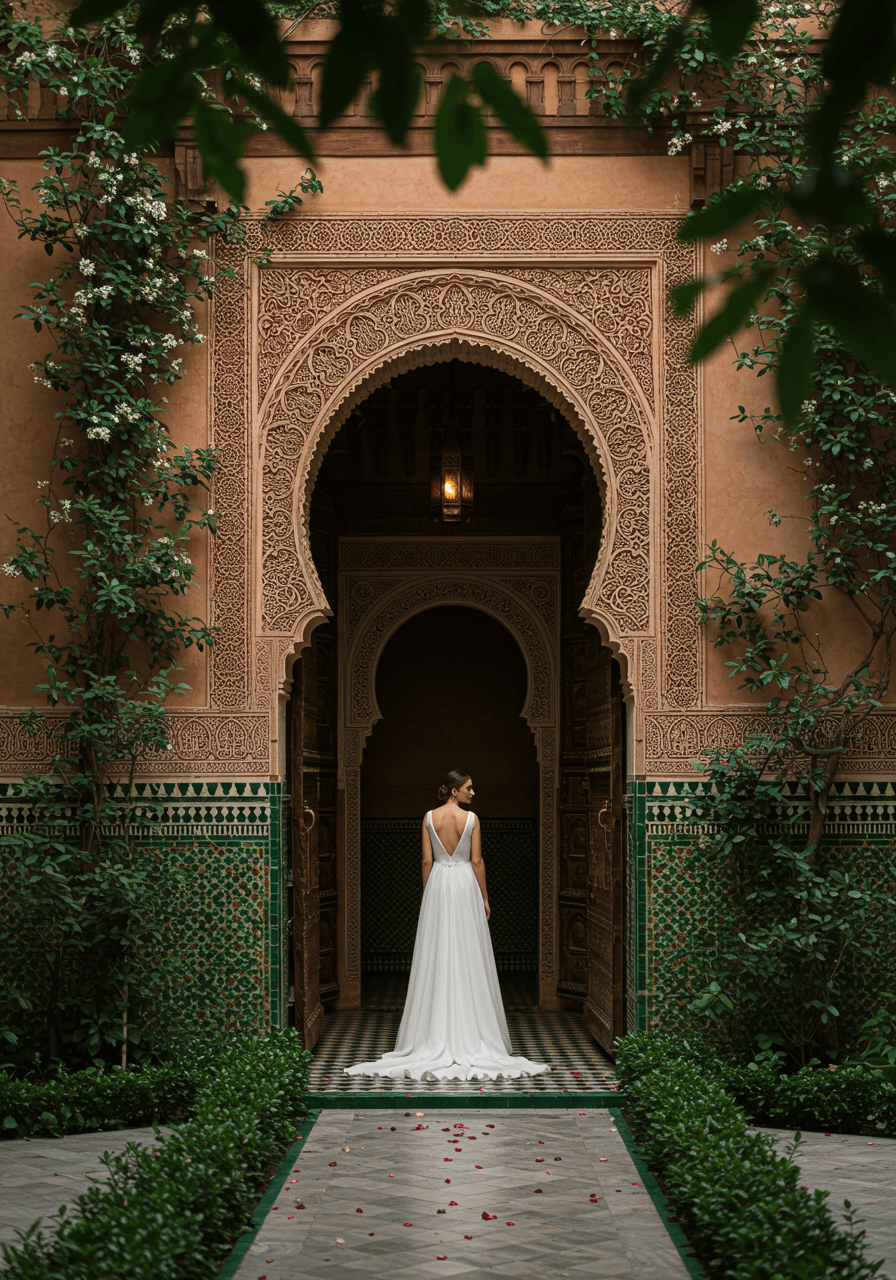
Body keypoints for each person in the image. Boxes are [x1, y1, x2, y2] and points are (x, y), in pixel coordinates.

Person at [344, 770, 550, 1082]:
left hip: (439, 884)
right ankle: (472, 1030)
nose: (473, 792)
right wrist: (485, 897)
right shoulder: (472, 819)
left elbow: (426, 862)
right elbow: (477, 861)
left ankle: (432, 1032)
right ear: (454, 790)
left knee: (438, 953)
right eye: (468, 788)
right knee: (468, 951)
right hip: (464, 884)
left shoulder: (428, 818)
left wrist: (429, 896)